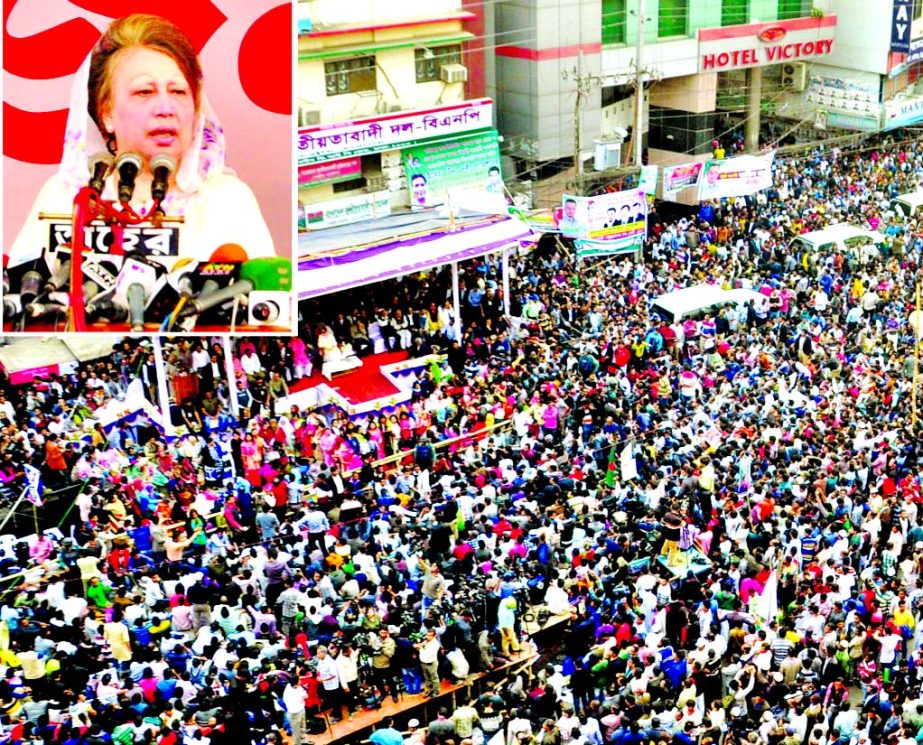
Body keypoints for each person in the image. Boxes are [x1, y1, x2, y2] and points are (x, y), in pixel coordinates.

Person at [7, 14, 275, 274]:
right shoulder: (66, 196)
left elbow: (269, 306)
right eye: (144, 92)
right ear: (106, 112)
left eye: (178, 92)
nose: (165, 108)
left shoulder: (228, 198)